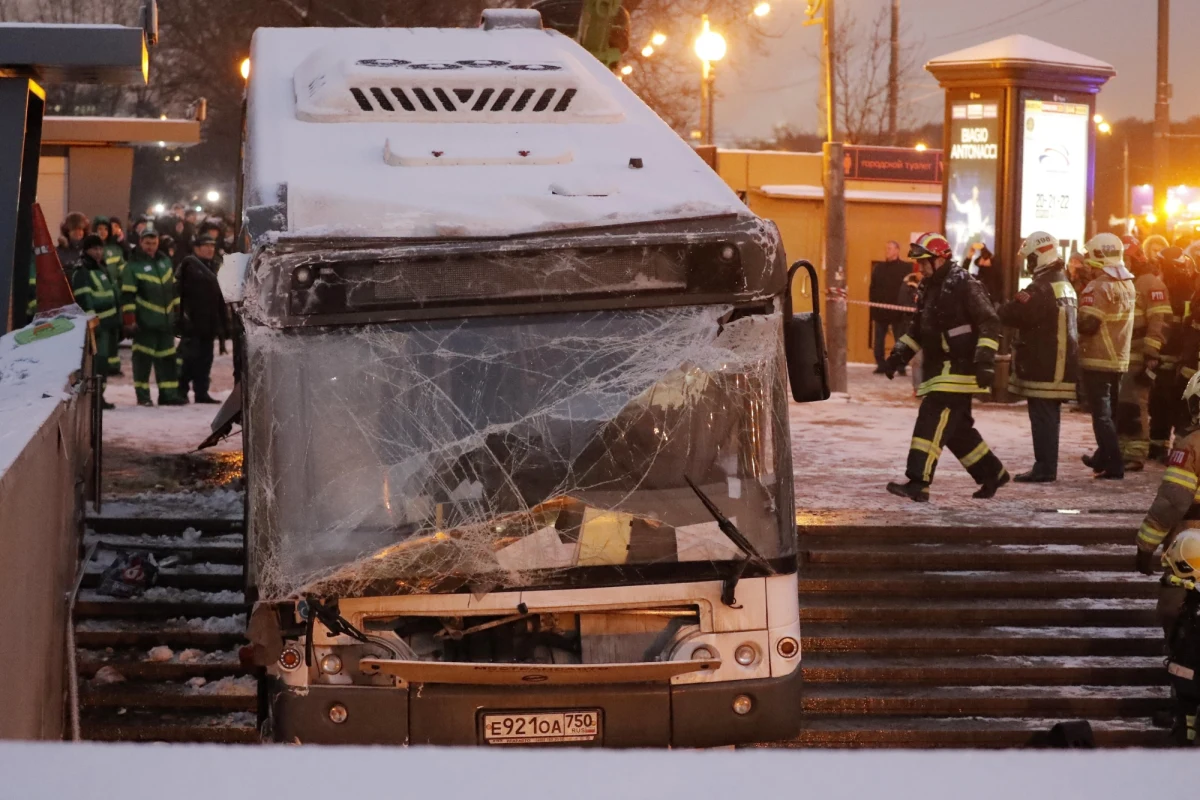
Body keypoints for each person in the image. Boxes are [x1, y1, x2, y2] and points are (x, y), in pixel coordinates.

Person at [882, 232, 1008, 502]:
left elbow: (990, 322)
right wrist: (898, 356)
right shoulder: (929, 287)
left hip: (959, 369)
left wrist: (985, 361)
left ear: (940, 259)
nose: (921, 267)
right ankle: (992, 473)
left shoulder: (964, 284)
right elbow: (919, 328)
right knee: (957, 431)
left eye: (925, 262)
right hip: (940, 369)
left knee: (930, 421)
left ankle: (918, 482)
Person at [1133, 371, 1200, 746]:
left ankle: (1183, 710)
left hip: (1194, 552)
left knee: (1178, 622)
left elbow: (1172, 503)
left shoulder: (1192, 444)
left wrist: (1145, 547)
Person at [997, 231, 1078, 482]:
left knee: (1042, 418)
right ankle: (1046, 466)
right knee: (1049, 418)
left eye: (1031, 257)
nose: (1028, 263)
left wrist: (999, 308)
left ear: (1041, 255)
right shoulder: (1062, 282)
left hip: (1044, 363)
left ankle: (1044, 468)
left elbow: (1014, 314)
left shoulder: (1041, 287)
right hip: (1060, 362)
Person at [1079, 233, 1138, 479]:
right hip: (1119, 359)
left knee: (1101, 416)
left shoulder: (1098, 286)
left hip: (1097, 359)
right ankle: (1102, 458)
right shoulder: (1128, 283)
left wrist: (1074, 314)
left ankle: (1114, 465)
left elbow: (1087, 324)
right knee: (1110, 413)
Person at [1117, 240, 1172, 471]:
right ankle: (1120, 450)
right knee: (1122, 404)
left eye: (1125, 258)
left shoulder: (1150, 283)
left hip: (1140, 353)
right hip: (1123, 353)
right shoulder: (1129, 281)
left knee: (1136, 403)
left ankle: (1136, 454)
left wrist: (1151, 352)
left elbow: (1159, 320)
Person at [121, 228, 184, 407]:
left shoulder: (165, 262)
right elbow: (127, 296)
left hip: (165, 324)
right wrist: (130, 321)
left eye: (154, 243)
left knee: (167, 360)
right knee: (142, 362)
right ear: (140, 243)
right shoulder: (132, 267)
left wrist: (178, 312)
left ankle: (168, 395)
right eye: (147, 243)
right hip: (144, 324)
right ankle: (143, 396)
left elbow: (173, 289)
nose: (151, 247)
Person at [1151, 247, 1199, 460]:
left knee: (1168, 405)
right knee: (1172, 406)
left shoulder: (1169, 290)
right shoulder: (1188, 289)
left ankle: (1164, 448)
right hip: (1180, 358)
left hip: (1176, 358)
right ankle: (1163, 448)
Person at [176, 235, 229, 403]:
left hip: (209, 322)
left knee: (205, 360)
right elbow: (179, 292)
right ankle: (181, 391)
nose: (210, 249)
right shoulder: (188, 265)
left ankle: (201, 392)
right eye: (205, 246)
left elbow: (220, 296)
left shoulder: (214, 267)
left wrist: (223, 323)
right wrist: (183, 316)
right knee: (189, 359)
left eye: (212, 246)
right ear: (196, 248)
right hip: (193, 322)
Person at [71, 234, 120, 407]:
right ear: (86, 250)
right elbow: (84, 300)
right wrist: (93, 324)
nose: (98, 252)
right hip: (96, 327)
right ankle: (93, 398)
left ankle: (100, 396)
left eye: (100, 248)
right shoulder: (82, 271)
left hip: (107, 326)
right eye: (94, 249)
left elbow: (113, 295)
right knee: (97, 363)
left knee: (104, 362)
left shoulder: (101, 269)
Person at [869, 241, 912, 374]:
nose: (887, 251)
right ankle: (881, 364)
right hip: (881, 310)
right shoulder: (879, 268)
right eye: (886, 248)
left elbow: (911, 288)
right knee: (879, 339)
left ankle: (900, 365)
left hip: (899, 311)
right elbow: (873, 288)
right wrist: (873, 308)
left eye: (890, 248)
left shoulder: (906, 268)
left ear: (897, 250)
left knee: (900, 339)